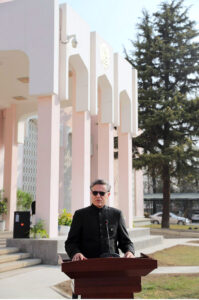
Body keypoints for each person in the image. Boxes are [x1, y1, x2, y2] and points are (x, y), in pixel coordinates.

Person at [65, 179, 135, 261]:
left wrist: (129, 251)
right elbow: (70, 242)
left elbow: (126, 242)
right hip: (87, 264)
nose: (98, 196)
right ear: (91, 194)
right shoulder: (80, 215)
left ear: (108, 195)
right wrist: (76, 253)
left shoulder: (117, 214)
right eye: (95, 193)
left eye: (102, 193)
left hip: (112, 264)